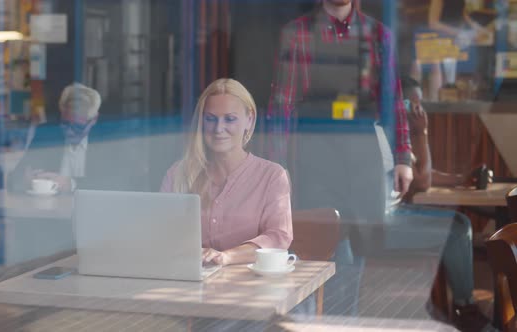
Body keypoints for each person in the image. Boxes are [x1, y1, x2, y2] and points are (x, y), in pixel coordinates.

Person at [267, 0, 412, 316]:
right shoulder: (297, 33)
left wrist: (404, 156)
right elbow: (281, 105)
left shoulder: (378, 35)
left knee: (356, 250)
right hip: (313, 154)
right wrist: (277, 169)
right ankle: (328, 319)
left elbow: (393, 100)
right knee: (323, 246)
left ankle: (343, 319)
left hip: (362, 154)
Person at [387, 76, 490, 331]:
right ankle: (465, 308)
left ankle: (464, 305)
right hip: (384, 224)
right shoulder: (393, 135)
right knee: (456, 230)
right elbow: (422, 181)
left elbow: (424, 173)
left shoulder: (401, 137)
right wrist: (421, 132)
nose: (419, 110)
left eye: (421, 103)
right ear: (401, 106)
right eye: (413, 104)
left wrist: (460, 179)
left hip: (398, 212)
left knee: (459, 222)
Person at [161, 78, 293, 266]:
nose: (218, 129)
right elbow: (162, 234)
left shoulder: (272, 176)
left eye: (230, 119)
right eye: (210, 119)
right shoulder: (178, 174)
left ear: (250, 119)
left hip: (253, 284)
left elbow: (278, 237)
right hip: (192, 281)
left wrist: (226, 257)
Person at [8, 83, 100, 193]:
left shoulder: (107, 142)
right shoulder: (47, 135)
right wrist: (25, 179)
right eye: (65, 123)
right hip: (48, 207)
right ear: (61, 114)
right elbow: (14, 178)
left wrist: (70, 184)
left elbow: (112, 183)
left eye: (77, 126)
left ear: (94, 120)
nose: (70, 131)